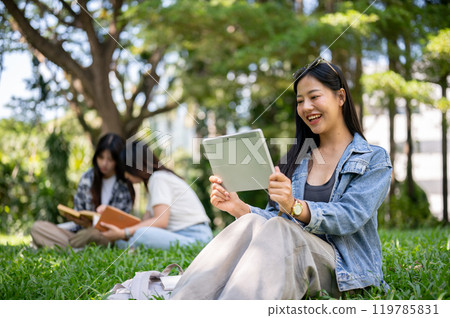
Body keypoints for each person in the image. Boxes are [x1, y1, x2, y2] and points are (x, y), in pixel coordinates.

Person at [170, 58, 392, 300]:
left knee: (281, 227)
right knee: (248, 223)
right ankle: (182, 303)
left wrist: (294, 206)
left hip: (346, 271)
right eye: (299, 101)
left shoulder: (373, 159)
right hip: (293, 255)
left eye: (314, 97)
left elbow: (351, 216)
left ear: (340, 97)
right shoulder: (297, 160)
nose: (306, 107)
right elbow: (274, 220)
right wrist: (240, 209)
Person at [100, 141, 213, 250]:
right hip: (182, 235)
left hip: (196, 237)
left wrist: (123, 232)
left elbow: (161, 221)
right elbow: (145, 222)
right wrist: (112, 218)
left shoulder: (159, 178)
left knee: (140, 234)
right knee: (124, 239)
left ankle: (133, 248)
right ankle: (132, 247)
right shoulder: (155, 181)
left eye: (125, 169)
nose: (125, 175)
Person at [30, 133, 133, 248]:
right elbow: (79, 212)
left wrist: (93, 224)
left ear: (118, 161)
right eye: (101, 157)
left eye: (110, 159)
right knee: (38, 227)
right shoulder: (87, 178)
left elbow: (122, 223)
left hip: (106, 236)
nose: (104, 163)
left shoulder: (124, 184)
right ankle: (74, 248)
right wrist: (81, 221)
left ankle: (65, 247)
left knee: (94, 234)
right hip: (80, 233)